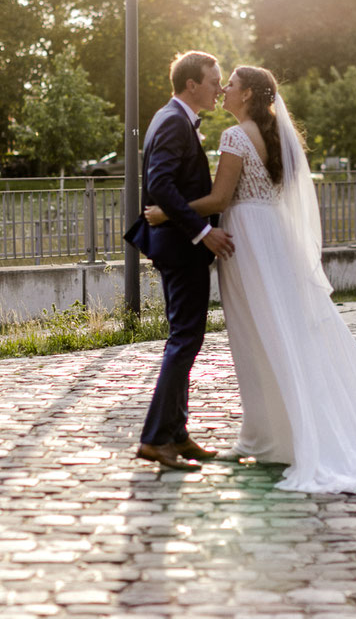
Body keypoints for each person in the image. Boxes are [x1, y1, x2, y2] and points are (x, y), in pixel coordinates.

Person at [145, 65, 356, 493]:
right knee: (282, 331)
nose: (225, 91)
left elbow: (220, 198)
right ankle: (264, 435)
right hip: (275, 237)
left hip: (246, 241)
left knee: (255, 336)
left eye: (230, 85)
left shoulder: (235, 136)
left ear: (249, 95)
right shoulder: (277, 139)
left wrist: (166, 211)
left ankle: (271, 436)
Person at [127, 51, 235, 471]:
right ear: (192, 84)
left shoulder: (168, 116)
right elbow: (159, 185)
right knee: (184, 340)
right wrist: (204, 232)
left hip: (174, 242)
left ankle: (176, 432)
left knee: (185, 338)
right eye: (214, 81)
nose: (219, 88)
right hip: (180, 246)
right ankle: (155, 438)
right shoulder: (173, 121)